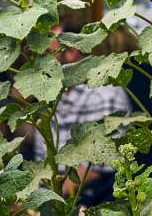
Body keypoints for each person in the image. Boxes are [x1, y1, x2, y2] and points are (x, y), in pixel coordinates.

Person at [32, 21, 132, 206]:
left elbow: (97, 169)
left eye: (48, 55)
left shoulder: (104, 94)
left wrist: (45, 201)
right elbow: (37, 154)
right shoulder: (54, 95)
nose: (40, 63)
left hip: (83, 201)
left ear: (72, 52)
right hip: (46, 194)